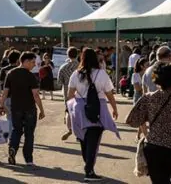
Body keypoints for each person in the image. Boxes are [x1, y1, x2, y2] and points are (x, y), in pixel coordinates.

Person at [67, 48, 119, 182]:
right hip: (97, 109)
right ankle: (89, 171)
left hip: (80, 108)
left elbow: (70, 95)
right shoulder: (102, 74)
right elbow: (109, 94)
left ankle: (88, 167)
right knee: (93, 140)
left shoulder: (76, 74)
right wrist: (114, 108)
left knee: (84, 140)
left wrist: (71, 109)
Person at [0, 52, 45, 166]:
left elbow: (5, 92)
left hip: (15, 108)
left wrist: (2, 105)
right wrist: (41, 110)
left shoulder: (10, 74)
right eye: (33, 62)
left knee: (16, 130)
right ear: (25, 61)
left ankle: (13, 149)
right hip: (29, 108)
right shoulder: (30, 76)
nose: (34, 65)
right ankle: (28, 160)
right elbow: (35, 95)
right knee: (29, 134)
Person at [57, 47, 79, 141]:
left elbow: (59, 82)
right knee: (79, 112)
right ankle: (79, 133)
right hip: (80, 92)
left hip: (67, 92)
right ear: (77, 54)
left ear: (67, 55)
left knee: (69, 111)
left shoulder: (63, 67)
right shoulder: (81, 66)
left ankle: (70, 129)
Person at [131, 57, 147, 141]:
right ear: (141, 66)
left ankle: (139, 136)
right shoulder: (135, 75)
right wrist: (145, 86)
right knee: (141, 118)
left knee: (143, 117)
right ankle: (146, 137)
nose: (148, 66)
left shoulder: (150, 74)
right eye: (146, 65)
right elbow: (137, 88)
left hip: (147, 96)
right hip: (138, 96)